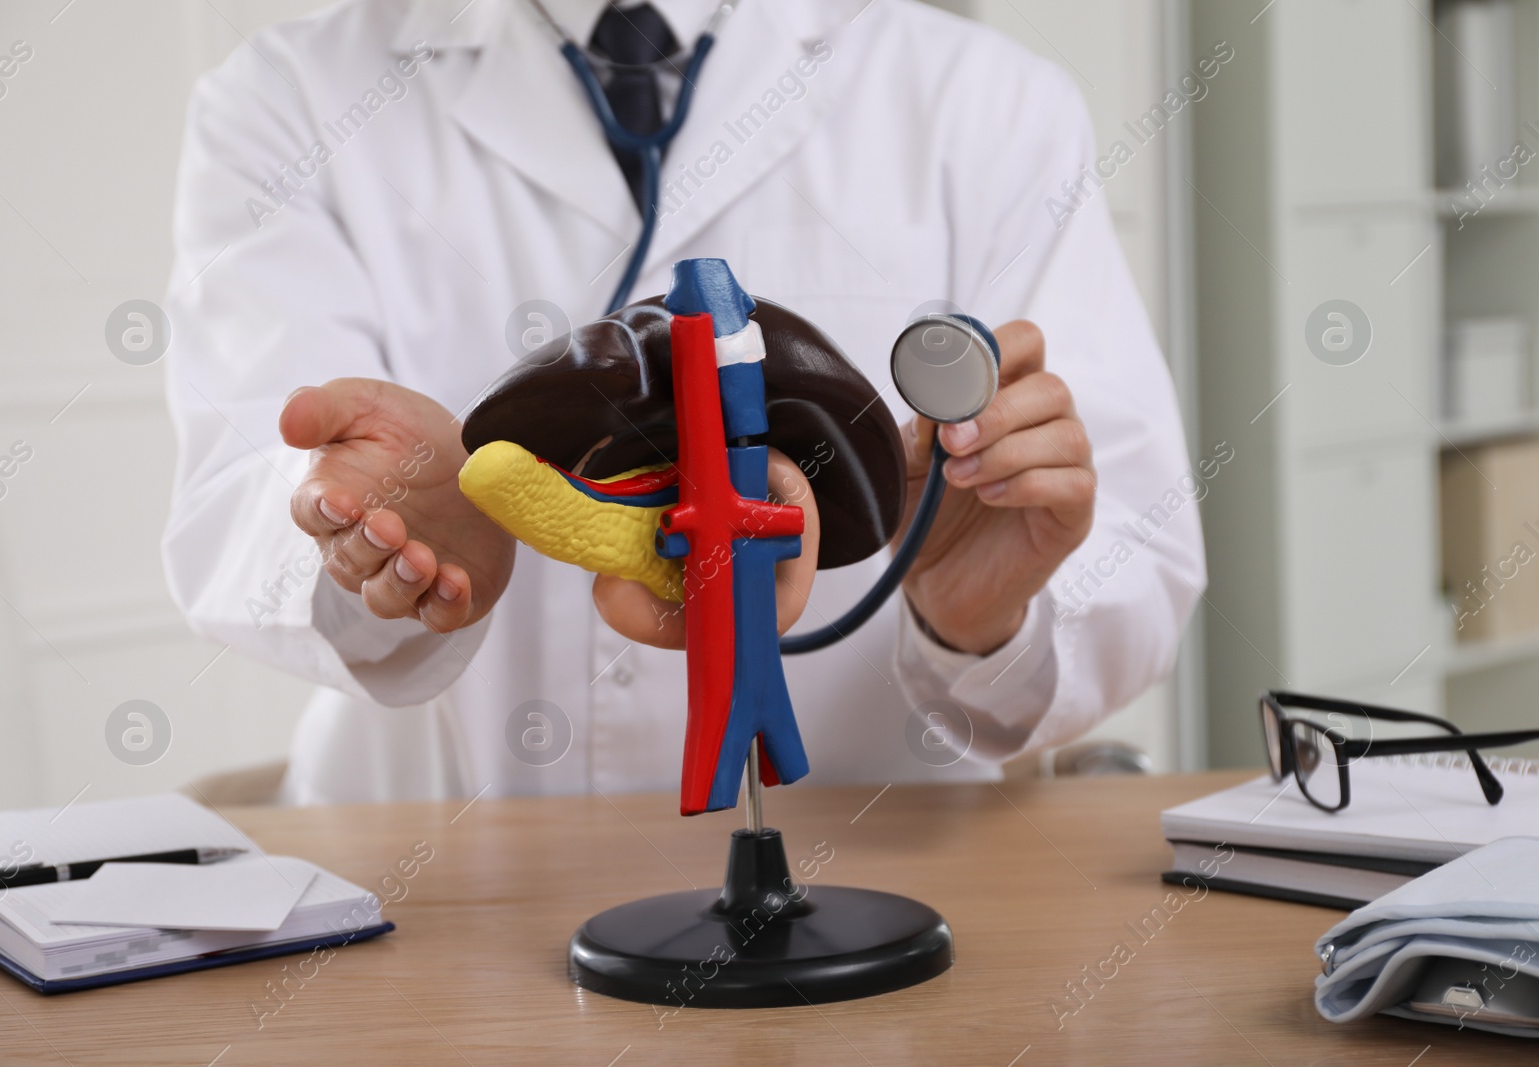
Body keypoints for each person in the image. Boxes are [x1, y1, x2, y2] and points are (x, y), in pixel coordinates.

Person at [161, 0, 1205, 805]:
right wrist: (368, 531)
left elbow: (1136, 542)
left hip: (870, 878)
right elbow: (237, 500)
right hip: (449, 884)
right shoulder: (284, 98)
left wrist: (983, 617)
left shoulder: (987, 102)